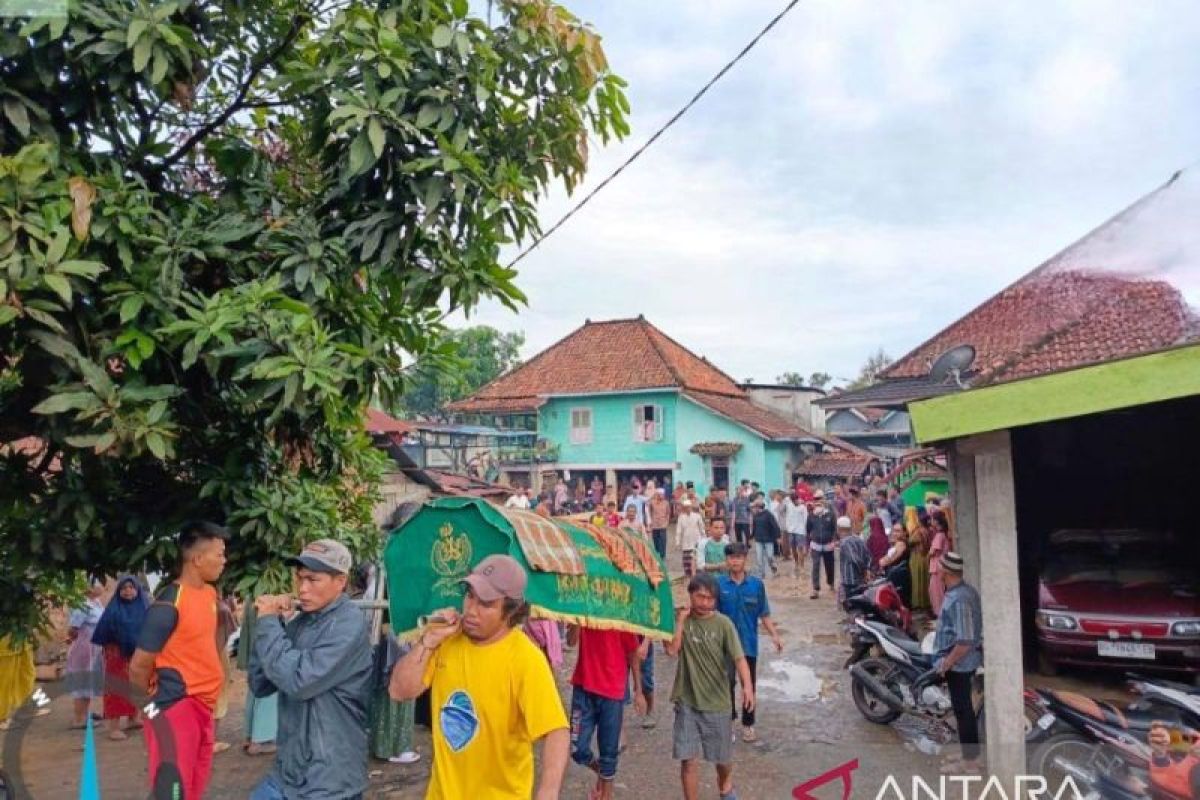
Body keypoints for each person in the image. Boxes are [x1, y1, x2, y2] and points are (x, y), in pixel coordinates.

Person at [388, 555, 569, 799]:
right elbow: (399, 691)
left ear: (510, 611)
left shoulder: (525, 658)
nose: (471, 610)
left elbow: (556, 730)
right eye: (469, 596)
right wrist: (428, 641)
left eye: (485, 604)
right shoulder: (446, 641)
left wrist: (548, 790)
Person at [247, 538, 374, 800]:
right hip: (290, 770)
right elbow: (261, 684)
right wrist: (272, 623)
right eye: (300, 578)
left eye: (313, 580)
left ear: (340, 582)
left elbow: (299, 681)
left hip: (329, 777)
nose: (302, 588)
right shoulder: (302, 621)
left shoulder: (348, 624)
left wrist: (270, 624)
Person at [130, 521, 228, 800]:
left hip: (202, 704)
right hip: (175, 706)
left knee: (193, 784)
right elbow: (138, 665)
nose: (224, 560)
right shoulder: (168, 604)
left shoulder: (208, 593)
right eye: (219, 554)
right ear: (197, 559)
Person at [666, 573, 754, 800]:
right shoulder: (681, 621)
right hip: (687, 701)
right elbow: (671, 651)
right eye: (700, 597)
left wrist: (748, 687)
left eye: (710, 598)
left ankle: (725, 785)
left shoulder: (723, 624)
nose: (704, 603)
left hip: (717, 702)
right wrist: (680, 622)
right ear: (690, 595)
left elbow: (739, 658)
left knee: (722, 760)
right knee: (689, 761)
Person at [566, 625, 644, 800]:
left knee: (608, 751)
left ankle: (606, 793)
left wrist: (638, 690)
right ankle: (601, 772)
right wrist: (576, 624)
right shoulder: (583, 612)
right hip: (583, 687)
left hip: (612, 691)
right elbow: (571, 642)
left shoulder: (619, 618)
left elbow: (633, 653)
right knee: (577, 747)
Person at [717, 544, 782, 744]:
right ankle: (728, 722)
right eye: (731, 558)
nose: (734, 561)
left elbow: (764, 613)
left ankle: (748, 725)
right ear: (726, 560)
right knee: (725, 685)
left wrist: (775, 635)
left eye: (738, 557)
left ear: (745, 559)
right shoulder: (718, 585)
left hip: (748, 645)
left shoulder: (756, 585)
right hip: (724, 646)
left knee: (749, 685)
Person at [932, 552, 983, 774]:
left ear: (946, 572)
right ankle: (967, 755)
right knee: (963, 710)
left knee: (963, 712)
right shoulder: (960, 592)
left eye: (940, 567)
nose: (937, 570)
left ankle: (970, 763)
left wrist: (947, 663)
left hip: (959, 664)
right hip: (959, 662)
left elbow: (964, 640)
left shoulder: (960, 598)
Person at [91, 575, 147, 740]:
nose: (128, 591)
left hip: (137, 655)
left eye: (131, 588)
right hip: (117, 656)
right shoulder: (113, 609)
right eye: (124, 588)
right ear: (118, 591)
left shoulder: (144, 608)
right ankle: (114, 727)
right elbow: (104, 633)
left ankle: (134, 718)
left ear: (137, 590)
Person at [65, 583, 105, 729]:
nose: (101, 586)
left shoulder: (96, 602)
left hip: (94, 647)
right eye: (97, 584)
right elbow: (73, 629)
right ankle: (79, 718)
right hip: (85, 648)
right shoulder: (82, 604)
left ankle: (85, 713)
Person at [806, 491, 837, 599]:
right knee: (815, 566)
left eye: (820, 504)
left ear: (823, 505)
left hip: (828, 544)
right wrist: (808, 544)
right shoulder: (811, 516)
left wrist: (834, 540)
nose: (818, 506)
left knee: (829, 566)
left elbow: (834, 528)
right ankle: (815, 589)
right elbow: (808, 529)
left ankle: (831, 584)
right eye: (816, 504)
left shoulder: (830, 514)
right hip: (815, 544)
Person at [837, 516, 873, 605]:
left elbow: (854, 559)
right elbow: (868, 556)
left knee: (852, 604)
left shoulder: (844, 542)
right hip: (860, 580)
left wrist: (864, 571)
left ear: (839, 529)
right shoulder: (858, 539)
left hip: (851, 579)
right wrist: (867, 569)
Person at [749, 499, 780, 579]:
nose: (753, 509)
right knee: (759, 558)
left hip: (768, 539)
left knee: (770, 556)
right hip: (758, 539)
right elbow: (754, 527)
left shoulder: (768, 515)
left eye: (754, 507)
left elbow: (775, 526)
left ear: (758, 507)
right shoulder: (755, 516)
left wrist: (778, 537)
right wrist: (751, 537)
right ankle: (761, 573)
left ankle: (774, 568)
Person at [928, 513, 951, 616]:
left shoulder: (939, 536)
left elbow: (933, 551)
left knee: (937, 592)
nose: (931, 521)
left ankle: (940, 613)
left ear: (936, 521)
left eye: (932, 519)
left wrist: (929, 553)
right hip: (941, 565)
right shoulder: (942, 534)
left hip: (938, 566)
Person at [676, 500, 706, 578]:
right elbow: (678, 530)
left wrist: (704, 538)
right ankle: (687, 574)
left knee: (696, 556)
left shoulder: (697, 516)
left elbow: (702, 528)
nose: (687, 509)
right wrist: (677, 542)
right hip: (686, 540)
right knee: (686, 558)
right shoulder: (681, 517)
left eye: (688, 507)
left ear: (691, 507)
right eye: (685, 508)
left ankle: (697, 574)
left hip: (696, 538)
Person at [908, 518, 932, 612]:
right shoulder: (929, 530)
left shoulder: (918, 531)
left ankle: (918, 604)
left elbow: (910, 541)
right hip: (925, 557)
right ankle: (926, 602)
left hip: (917, 557)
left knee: (917, 581)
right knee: (925, 581)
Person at [783, 492, 808, 575]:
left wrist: (805, 530)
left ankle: (802, 566)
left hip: (800, 531)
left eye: (796, 500)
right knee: (793, 549)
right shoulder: (789, 506)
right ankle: (796, 563)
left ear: (798, 499)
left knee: (800, 549)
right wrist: (787, 527)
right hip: (791, 531)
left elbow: (805, 519)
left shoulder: (803, 507)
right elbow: (786, 516)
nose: (795, 502)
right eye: (793, 500)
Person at [648, 487, 672, 560]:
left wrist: (667, 521)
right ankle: (657, 553)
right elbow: (649, 511)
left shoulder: (666, 503)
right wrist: (650, 521)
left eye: (662, 495)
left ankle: (662, 555)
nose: (661, 496)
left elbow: (668, 513)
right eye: (659, 494)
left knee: (663, 540)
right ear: (657, 495)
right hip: (654, 525)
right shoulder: (652, 502)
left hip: (663, 524)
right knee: (655, 540)